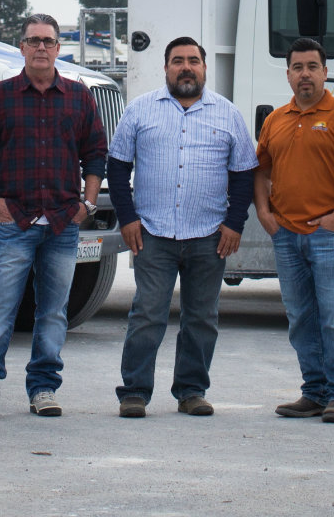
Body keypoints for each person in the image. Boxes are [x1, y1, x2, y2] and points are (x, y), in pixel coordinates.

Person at [0, 14, 107, 420]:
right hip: (16, 222)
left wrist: (88, 204)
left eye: (48, 41)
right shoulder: (1, 95)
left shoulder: (79, 98)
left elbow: (96, 155)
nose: (41, 47)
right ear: (21, 47)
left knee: (53, 312)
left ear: (59, 48)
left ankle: (43, 387)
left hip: (63, 223)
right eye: (33, 41)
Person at [109, 36, 257, 418]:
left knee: (202, 318)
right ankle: (135, 392)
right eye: (178, 60)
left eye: (193, 60)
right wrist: (127, 218)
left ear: (205, 68)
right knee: (147, 314)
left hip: (209, 236)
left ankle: (192, 391)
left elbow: (244, 175)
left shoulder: (227, 114)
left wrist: (234, 224)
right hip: (153, 234)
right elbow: (118, 165)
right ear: (166, 68)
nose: (186, 67)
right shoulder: (141, 110)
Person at [254, 37, 334, 424]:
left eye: (312, 67)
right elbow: (261, 169)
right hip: (287, 236)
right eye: (297, 67)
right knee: (301, 318)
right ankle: (314, 392)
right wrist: (263, 212)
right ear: (288, 74)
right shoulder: (276, 119)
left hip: (329, 237)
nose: (304, 74)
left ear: (325, 72)